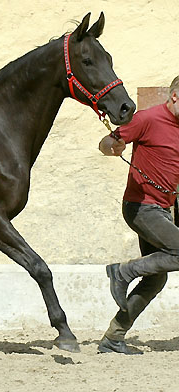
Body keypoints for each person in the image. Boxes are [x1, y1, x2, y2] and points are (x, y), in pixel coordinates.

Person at [96, 75, 179, 354]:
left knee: (156, 278)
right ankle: (122, 272)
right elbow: (108, 141)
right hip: (141, 207)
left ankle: (113, 338)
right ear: (175, 96)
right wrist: (112, 148)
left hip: (163, 210)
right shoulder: (147, 119)